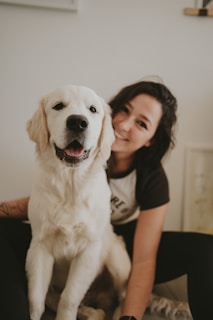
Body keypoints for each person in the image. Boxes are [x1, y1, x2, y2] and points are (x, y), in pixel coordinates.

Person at [0, 80, 213, 320]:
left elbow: (143, 259)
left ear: (151, 138)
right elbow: (47, 205)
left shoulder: (149, 176)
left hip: (114, 242)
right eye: (125, 110)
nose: (123, 124)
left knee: (207, 248)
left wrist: (128, 317)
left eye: (141, 124)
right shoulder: (65, 154)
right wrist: (5, 209)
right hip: (58, 239)